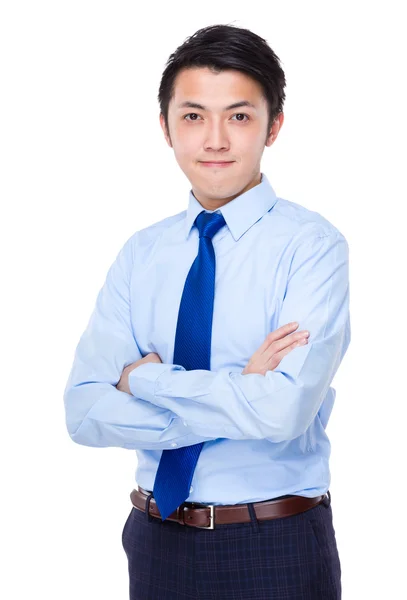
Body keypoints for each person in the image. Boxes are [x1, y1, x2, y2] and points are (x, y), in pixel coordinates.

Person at [63, 23, 350, 600]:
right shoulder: (141, 253)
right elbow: (84, 411)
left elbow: (283, 412)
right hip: (154, 540)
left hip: (275, 544)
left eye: (238, 116)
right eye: (193, 115)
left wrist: (143, 380)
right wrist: (239, 389)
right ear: (166, 128)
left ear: (274, 126)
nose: (214, 139)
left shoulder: (312, 247)